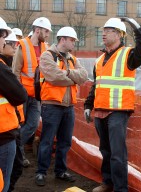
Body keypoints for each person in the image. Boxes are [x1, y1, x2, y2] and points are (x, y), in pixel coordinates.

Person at [84, 17, 141, 192]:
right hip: (100, 111)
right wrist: (87, 105)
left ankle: (121, 189)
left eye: (109, 30)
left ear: (120, 34)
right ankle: (108, 183)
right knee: (105, 151)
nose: (104, 33)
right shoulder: (99, 60)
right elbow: (96, 85)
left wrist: (137, 28)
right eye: (104, 30)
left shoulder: (128, 55)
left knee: (117, 154)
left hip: (118, 112)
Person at [35, 26, 88, 186]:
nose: (74, 44)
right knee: (47, 140)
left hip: (68, 106)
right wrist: (73, 77)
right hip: (51, 106)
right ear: (62, 39)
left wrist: (67, 73)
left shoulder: (71, 58)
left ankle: (60, 171)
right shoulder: (47, 56)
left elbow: (84, 76)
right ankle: (41, 172)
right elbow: (54, 77)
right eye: (72, 40)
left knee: (65, 141)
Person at [12, 17, 52, 167]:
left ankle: (13, 146)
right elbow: (15, 72)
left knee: (33, 125)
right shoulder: (22, 45)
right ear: (37, 30)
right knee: (20, 125)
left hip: (37, 96)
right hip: (22, 95)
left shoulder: (46, 48)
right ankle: (19, 156)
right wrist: (17, 93)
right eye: (46, 31)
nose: (47, 34)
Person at [0, 17, 28, 192]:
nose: (5, 43)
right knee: (3, 183)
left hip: (9, 129)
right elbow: (20, 95)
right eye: (3, 38)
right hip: (3, 135)